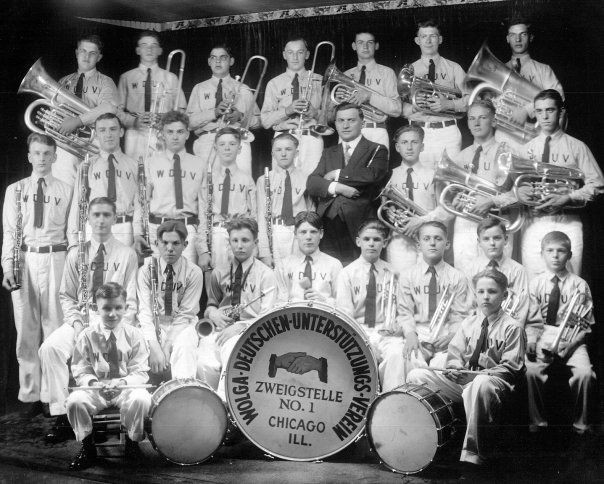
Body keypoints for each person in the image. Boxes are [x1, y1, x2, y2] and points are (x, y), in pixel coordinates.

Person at [39, 197, 138, 444]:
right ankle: (62, 416)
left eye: (106, 215)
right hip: (83, 319)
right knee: (49, 348)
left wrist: (117, 325)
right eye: (96, 215)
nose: (101, 220)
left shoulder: (127, 254)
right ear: (89, 218)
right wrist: (76, 324)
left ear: (115, 218)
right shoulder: (76, 253)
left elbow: (132, 299)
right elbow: (67, 295)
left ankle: (117, 423)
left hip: (112, 320)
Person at [407, 269, 526, 467]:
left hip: (494, 386)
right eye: (481, 292)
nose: (485, 296)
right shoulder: (469, 323)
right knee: (417, 375)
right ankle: (430, 440)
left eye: (492, 291)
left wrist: (474, 376)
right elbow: (455, 354)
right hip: (466, 382)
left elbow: (511, 369)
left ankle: (473, 455)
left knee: (480, 383)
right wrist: (455, 368)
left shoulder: (512, 327)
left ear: (504, 295)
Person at [1, 134, 72, 418]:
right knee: (26, 329)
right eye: (37, 153)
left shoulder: (67, 190)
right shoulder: (15, 190)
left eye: (47, 154)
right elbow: (9, 231)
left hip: (57, 256)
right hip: (26, 258)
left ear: (55, 157)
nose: (42, 159)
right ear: (29, 156)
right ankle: (30, 393)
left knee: (54, 327)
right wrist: (8, 266)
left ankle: (52, 395)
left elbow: (72, 232)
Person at [171, 217, 276, 396]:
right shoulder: (219, 271)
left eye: (245, 240)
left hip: (248, 331)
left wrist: (241, 326)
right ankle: (208, 404)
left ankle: (226, 407)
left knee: (231, 354)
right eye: (235, 241)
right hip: (220, 329)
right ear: (229, 242)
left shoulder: (266, 275)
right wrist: (213, 314)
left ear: (256, 242)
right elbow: (211, 304)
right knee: (205, 364)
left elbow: (268, 316)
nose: (239, 246)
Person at [66, 282, 151, 471]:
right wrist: (95, 382)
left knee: (141, 398)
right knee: (75, 401)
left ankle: (132, 444)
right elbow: (80, 369)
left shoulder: (135, 335)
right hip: (97, 389)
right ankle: (88, 448)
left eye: (118, 308)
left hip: (124, 388)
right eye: (106, 308)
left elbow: (140, 370)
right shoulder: (87, 335)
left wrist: (122, 382)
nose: (112, 314)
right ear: (97, 308)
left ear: (126, 308)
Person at [519, 90, 604, 278]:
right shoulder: (526, 149)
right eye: (539, 111)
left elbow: (597, 184)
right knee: (534, 285)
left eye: (550, 110)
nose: (545, 116)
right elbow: (518, 185)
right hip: (535, 221)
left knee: (570, 283)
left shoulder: (577, 146)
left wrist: (569, 197)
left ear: (560, 112)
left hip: (568, 221)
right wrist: (521, 191)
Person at [525, 231, 596, 435]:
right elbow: (532, 320)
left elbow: (584, 326)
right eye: (550, 251)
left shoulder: (580, 285)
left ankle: (581, 424)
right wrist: (531, 339)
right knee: (530, 371)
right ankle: (537, 423)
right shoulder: (536, 283)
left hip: (572, 337)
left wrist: (569, 345)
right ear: (542, 254)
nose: (555, 256)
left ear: (570, 255)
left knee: (585, 374)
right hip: (542, 333)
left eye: (561, 251)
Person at [306, 103, 388, 266]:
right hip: (328, 223)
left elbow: (371, 176)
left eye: (351, 120)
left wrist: (336, 174)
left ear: (362, 123)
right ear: (335, 124)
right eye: (340, 120)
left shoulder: (377, 149)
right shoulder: (329, 152)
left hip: (360, 224)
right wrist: (338, 188)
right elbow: (312, 183)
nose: (345, 125)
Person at [335, 219, 404, 391]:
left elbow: (402, 309)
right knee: (364, 355)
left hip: (386, 331)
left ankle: (391, 401)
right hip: (361, 330)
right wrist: (362, 337)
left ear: (385, 243)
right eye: (366, 239)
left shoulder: (394, 273)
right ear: (358, 241)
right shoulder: (347, 273)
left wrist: (398, 326)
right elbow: (345, 314)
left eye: (377, 240)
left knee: (397, 354)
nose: (371, 244)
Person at [397, 221, 472, 376]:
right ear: (418, 245)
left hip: (445, 331)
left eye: (438, 238)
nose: (432, 243)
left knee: (445, 365)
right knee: (408, 359)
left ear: (447, 244)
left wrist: (453, 335)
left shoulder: (457, 277)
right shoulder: (407, 276)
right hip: (419, 330)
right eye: (426, 239)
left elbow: (459, 314)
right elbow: (405, 312)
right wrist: (410, 334)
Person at [133, 111, 207, 265]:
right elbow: (141, 201)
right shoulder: (151, 163)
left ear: (187, 134)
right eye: (170, 132)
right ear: (162, 134)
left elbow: (204, 206)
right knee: (156, 281)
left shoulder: (200, 164)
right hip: (157, 228)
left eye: (180, 132)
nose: (175, 137)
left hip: (187, 229)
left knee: (185, 281)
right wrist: (137, 232)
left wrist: (203, 245)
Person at [449, 100, 517, 269]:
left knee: (498, 280)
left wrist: (492, 201)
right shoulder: (460, 157)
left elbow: (522, 193)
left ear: (493, 121)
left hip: (497, 224)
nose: (476, 123)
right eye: (472, 119)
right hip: (465, 225)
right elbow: (454, 194)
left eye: (482, 118)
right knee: (464, 279)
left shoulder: (507, 152)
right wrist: (455, 200)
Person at [137, 221, 204, 377]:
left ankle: (182, 394)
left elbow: (186, 314)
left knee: (185, 345)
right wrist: (154, 346)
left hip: (181, 324)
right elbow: (145, 312)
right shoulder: (146, 270)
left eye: (176, 243)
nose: (169, 249)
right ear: (156, 243)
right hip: (155, 322)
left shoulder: (194, 272)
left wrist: (167, 345)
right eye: (164, 243)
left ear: (185, 245)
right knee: (138, 343)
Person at [53, 34, 119, 185]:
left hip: (92, 142)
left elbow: (108, 108)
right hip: (65, 143)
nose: (87, 56)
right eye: (83, 51)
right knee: (64, 188)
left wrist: (77, 121)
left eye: (92, 53)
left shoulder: (105, 81)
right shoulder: (63, 82)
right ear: (77, 53)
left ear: (99, 57)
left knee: (92, 188)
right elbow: (54, 111)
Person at [402, 19, 469, 169]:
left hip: (448, 132)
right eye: (424, 36)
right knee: (422, 181)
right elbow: (396, 105)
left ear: (440, 39)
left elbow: (472, 98)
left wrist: (449, 104)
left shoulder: (454, 68)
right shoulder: (409, 71)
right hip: (418, 132)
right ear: (417, 40)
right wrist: (414, 106)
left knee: (450, 180)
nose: (428, 40)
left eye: (433, 36)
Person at [383, 125, 450, 273]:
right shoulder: (389, 176)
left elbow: (446, 210)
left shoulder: (434, 175)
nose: (409, 147)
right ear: (397, 147)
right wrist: (390, 214)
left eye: (414, 142)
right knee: (401, 285)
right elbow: (385, 209)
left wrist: (422, 220)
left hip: (430, 240)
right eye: (404, 142)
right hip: (400, 241)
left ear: (422, 146)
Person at [187, 44, 260, 177]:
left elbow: (258, 121)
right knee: (206, 187)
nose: (218, 61)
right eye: (214, 58)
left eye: (223, 57)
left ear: (231, 61)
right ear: (209, 61)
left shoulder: (243, 89)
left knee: (240, 186)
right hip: (207, 142)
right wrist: (214, 113)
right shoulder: (199, 88)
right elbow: (189, 123)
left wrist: (240, 117)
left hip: (236, 142)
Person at [67, 113, 138, 247]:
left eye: (113, 129)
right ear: (97, 134)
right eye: (102, 130)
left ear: (121, 132)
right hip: (95, 227)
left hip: (125, 228)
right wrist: (73, 242)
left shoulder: (135, 166)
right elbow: (77, 204)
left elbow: (140, 205)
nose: (108, 134)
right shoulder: (87, 166)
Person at [117, 30, 187, 160]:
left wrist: (167, 119)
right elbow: (117, 112)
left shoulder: (171, 78)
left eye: (154, 45)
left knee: (163, 173)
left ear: (160, 50)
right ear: (138, 50)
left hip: (163, 132)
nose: (149, 49)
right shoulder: (126, 77)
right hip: (135, 133)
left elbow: (182, 111)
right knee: (136, 173)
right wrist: (134, 121)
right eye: (144, 45)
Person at [497, 16, 564, 149]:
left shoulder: (544, 70)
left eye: (523, 34)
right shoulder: (499, 71)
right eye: (513, 35)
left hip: (537, 135)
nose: (518, 39)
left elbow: (558, 96)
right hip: (506, 135)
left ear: (531, 37)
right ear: (507, 39)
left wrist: (526, 111)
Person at [261, 37, 324, 175]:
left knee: (311, 184)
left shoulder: (319, 80)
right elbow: (265, 121)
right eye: (290, 52)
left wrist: (315, 113)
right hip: (284, 139)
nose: (295, 57)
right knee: (282, 185)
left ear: (307, 55)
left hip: (311, 138)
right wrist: (287, 110)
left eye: (300, 52)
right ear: (284, 55)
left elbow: (331, 117)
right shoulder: (274, 83)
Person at [203, 127, 257, 272]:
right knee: (215, 280)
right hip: (216, 234)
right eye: (222, 144)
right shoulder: (208, 179)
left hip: (240, 234)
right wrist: (203, 250)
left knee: (241, 277)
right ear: (215, 148)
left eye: (232, 144)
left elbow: (254, 215)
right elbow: (202, 215)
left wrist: (254, 245)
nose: (227, 148)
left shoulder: (247, 179)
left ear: (239, 149)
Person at [257, 133, 311, 268]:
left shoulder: (307, 178)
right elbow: (261, 216)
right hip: (275, 232)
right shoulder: (264, 180)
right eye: (278, 150)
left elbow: (311, 212)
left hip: (299, 232)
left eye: (288, 149)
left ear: (296, 152)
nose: (283, 154)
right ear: (272, 153)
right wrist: (264, 251)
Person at [343, 31, 402, 148]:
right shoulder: (345, 75)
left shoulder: (387, 73)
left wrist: (369, 96)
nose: (365, 47)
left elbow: (397, 109)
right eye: (360, 43)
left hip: (376, 132)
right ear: (354, 46)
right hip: (348, 131)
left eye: (369, 43)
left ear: (376, 46)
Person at [466, 218, 529, 327]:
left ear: (506, 240)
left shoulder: (518, 270)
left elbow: (521, 307)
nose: (492, 243)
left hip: (508, 327)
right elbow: (469, 305)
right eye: (486, 239)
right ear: (479, 242)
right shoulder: (471, 269)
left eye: (497, 238)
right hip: (478, 327)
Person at [275, 211, 342, 304]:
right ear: (295, 234)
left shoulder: (334, 265)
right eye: (303, 232)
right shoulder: (283, 266)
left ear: (321, 233)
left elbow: (343, 303)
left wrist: (324, 301)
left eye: (313, 232)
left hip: (323, 315)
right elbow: (278, 302)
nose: (308, 237)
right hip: (293, 316)